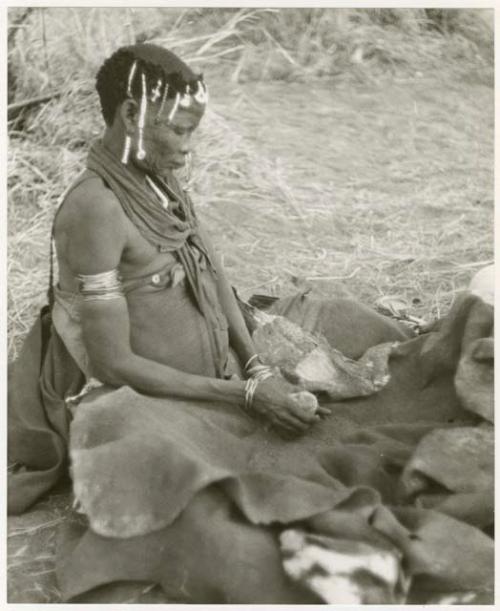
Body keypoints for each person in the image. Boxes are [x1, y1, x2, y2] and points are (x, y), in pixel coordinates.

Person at [10, 43, 493, 605]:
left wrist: (258, 362)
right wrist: (243, 393)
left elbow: (214, 275)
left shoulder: (158, 177)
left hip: (230, 366)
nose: (189, 147)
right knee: (168, 478)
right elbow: (116, 363)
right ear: (131, 118)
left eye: (194, 131)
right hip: (149, 392)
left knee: (352, 322)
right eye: (179, 131)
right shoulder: (95, 210)